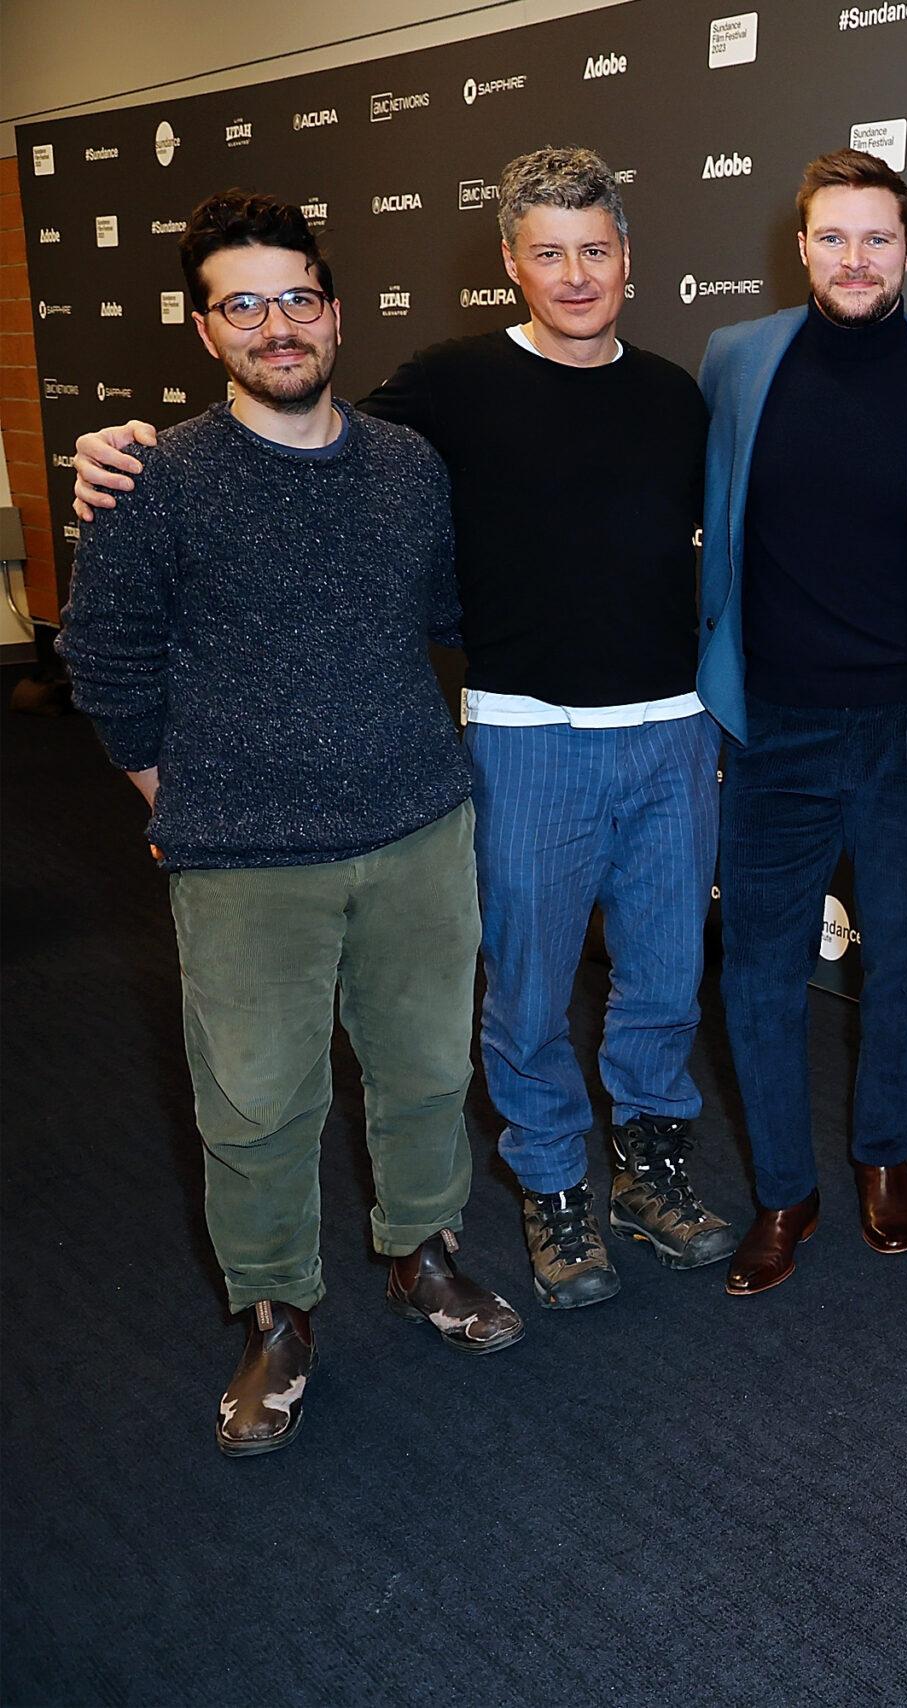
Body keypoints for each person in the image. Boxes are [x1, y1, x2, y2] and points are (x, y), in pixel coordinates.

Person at [79, 148, 729, 1313]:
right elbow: (290, 440)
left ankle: (644, 1163)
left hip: (667, 730)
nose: (575, 275)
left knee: (663, 981)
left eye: (596, 250)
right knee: (522, 997)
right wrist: (109, 456)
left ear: (629, 261)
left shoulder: (677, 394)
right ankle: (547, 1187)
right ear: (509, 265)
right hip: (522, 736)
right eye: (548, 253)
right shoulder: (445, 385)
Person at [58, 192, 524, 1457]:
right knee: (257, 1104)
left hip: (417, 830)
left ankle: (423, 1258)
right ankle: (276, 1317)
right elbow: (104, 660)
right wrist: (181, 799)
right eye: (243, 305)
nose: (277, 326)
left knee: (428, 1071)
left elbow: (440, 611)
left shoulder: (405, 466)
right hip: (243, 860)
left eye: (297, 299)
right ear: (206, 330)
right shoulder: (153, 481)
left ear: (334, 309)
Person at [697, 149, 907, 1293]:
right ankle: (784, 1187)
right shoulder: (735, 361)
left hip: (905, 734)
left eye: (878, 238)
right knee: (759, 972)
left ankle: (881, 1155)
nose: (856, 258)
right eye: (834, 237)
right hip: (769, 726)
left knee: (905, 965)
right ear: (803, 247)